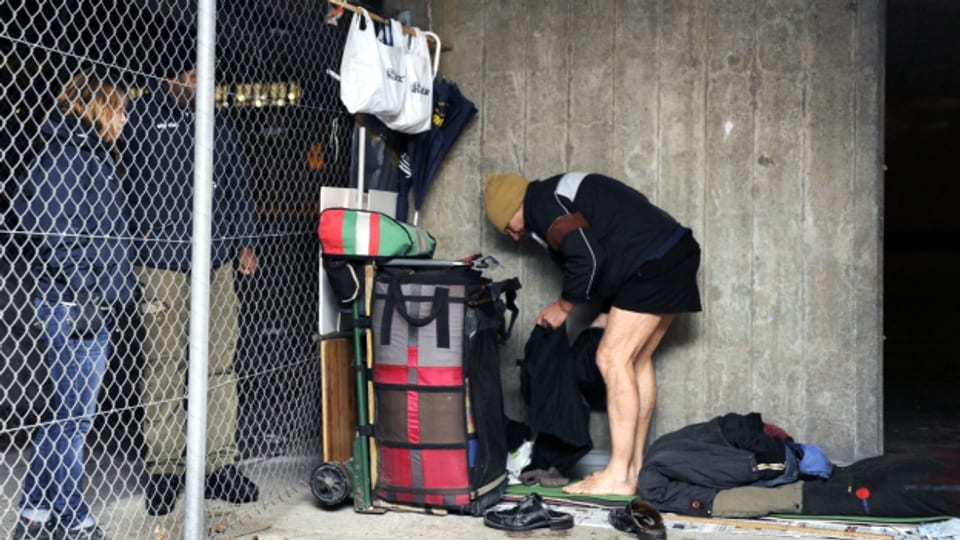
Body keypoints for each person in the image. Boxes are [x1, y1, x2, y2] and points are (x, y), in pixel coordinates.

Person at [483, 172, 702, 496]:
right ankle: (634, 469)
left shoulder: (542, 203)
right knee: (636, 361)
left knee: (611, 357)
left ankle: (618, 473)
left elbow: (587, 259)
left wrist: (563, 307)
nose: (514, 236)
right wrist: (607, 311)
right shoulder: (557, 193)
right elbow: (615, 243)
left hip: (652, 264)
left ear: (515, 206)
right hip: (671, 253)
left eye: (508, 226)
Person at [122, 60, 261, 515]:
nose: (202, 86)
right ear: (170, 77)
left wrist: (246, 240)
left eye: (208, 78)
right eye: (192, 77)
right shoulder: (139, 117)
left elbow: (239, 180)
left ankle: (219, 464)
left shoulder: (216, 119)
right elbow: (118, 184)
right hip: (159, 262)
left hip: (217, 259)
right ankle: (166, 470)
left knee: (220, 363)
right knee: (164, 365)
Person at [12, 69, 136, 540]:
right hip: (72, 302)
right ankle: (73, 519)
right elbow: (49, 228)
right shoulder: (68, 155)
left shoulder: (84, 152)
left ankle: (34, 515)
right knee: (75, 419)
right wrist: (87, 287)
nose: (125, 117)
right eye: (119, 108)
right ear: (97, 106)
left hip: (81, 298)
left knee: (67, 414)